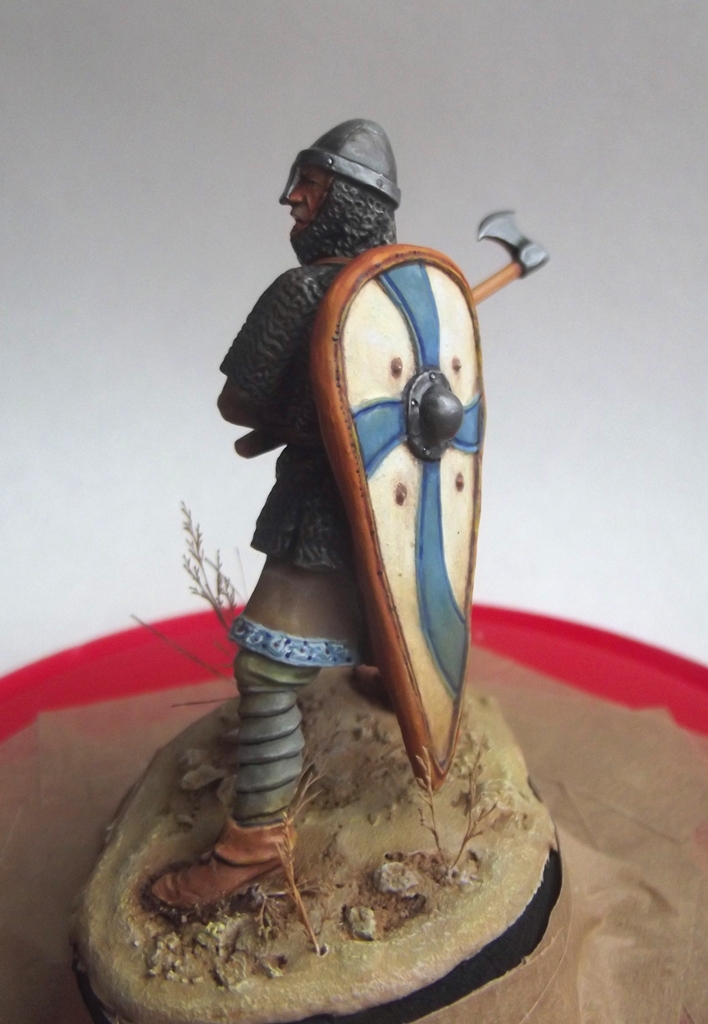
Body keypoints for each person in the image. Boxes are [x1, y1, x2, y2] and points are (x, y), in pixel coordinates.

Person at [152, 120, 400, 909]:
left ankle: (253, 848)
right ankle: (395, 677)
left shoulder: (302, 293)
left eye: (311, 185)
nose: (292, 199)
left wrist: (290, 413)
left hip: (323, 507)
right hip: (395, 512)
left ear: (348, 201)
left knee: (265, 671)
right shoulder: (406, 289)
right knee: (392, 609)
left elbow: (238, 401)